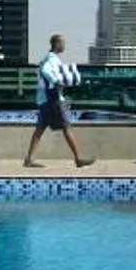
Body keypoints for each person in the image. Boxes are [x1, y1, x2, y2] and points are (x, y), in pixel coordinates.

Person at [24, 34, 92, 169]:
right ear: (56, 44)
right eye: (63, 43)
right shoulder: (51, 59)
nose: (64, 46)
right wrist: (57, 81)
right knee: (67, 127)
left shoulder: (50, 58)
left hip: (45, 99)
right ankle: (78, 159)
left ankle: (29, 159)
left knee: (40, 129)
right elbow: (45, 70)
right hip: (52, 99)